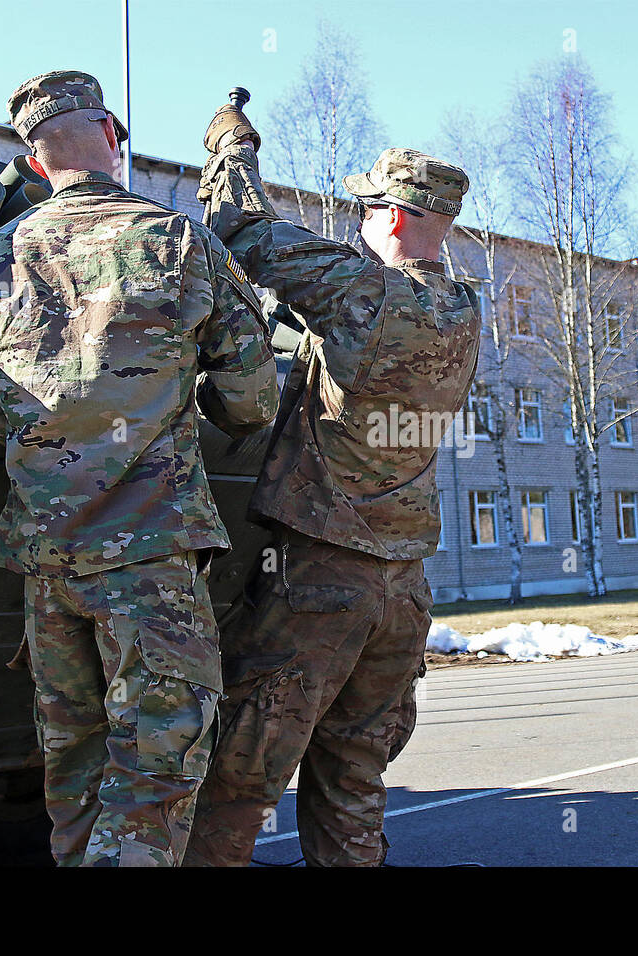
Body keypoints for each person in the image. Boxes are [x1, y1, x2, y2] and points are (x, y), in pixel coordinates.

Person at [0, 71, 278, 866]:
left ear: (33, 162)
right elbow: (250, 398)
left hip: (46, 560)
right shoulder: (176, 241)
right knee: (158, 762)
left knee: (72, 763)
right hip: (147, 557)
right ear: (110, 134)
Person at [184, 102, 481, 866]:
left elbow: (243, 232)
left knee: (240, 779)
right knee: (352, 778)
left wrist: (233, 147)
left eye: (366, 207)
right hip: (402, 591)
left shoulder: (365, 294)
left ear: (394, 215)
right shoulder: (463, 311)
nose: (356, 221)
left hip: (319, 581)